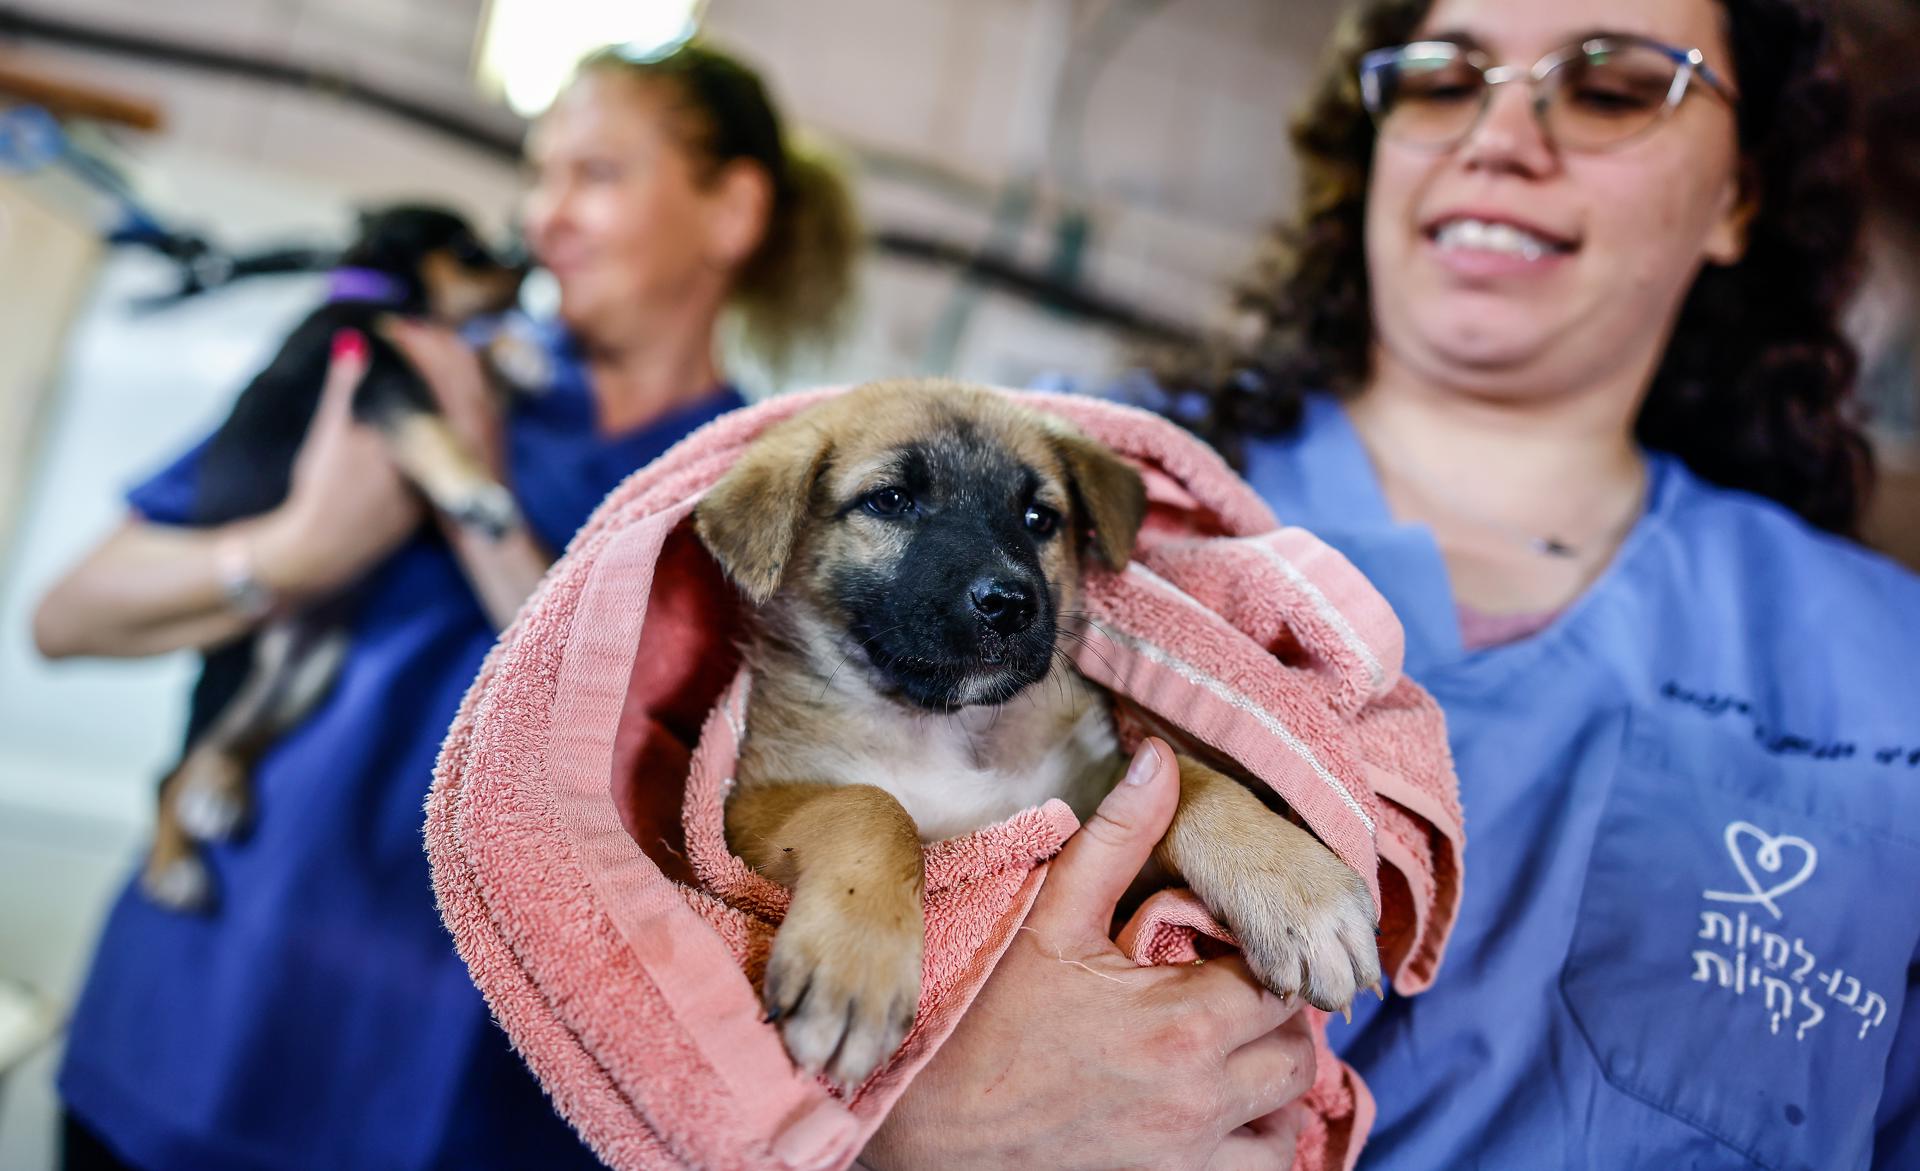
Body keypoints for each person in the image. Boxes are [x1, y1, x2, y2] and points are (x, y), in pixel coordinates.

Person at [864, 0, 1918, 1168]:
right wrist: (905, 1126)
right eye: (1441, 78)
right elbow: (685, 911)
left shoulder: (1884, 665)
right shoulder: (1055, 485)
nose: (1499, 136)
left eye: (1613, 87)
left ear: (1738, 197)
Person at [33, 40, 859, 1171]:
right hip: (182, 1038)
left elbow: (675, 793)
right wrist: (295, 548)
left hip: (452, 1110)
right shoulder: (398, 371)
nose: (544, 216)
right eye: (537, 174)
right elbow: (67, 616)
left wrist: (474, 493)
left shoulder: (761, 496)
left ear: (731, 213)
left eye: (598, 176)